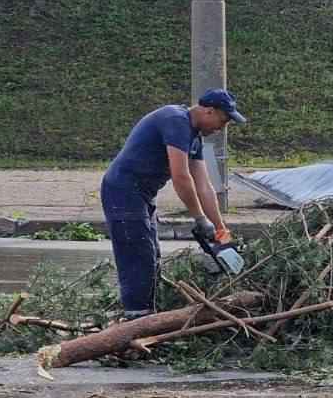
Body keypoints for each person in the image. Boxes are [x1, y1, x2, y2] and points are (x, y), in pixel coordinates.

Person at [102, 88, 246, 319]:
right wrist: (199, 219)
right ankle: (136, 318)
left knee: (152, 253)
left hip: (143, 195)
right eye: (223, 120)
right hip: (123, 191)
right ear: (209, 111)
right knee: (138, 253)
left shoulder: (194, 138)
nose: (222, 128)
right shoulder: (175, 121)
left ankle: (148, 313)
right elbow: (181, 176)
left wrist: (220, 229)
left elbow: (204, 186)